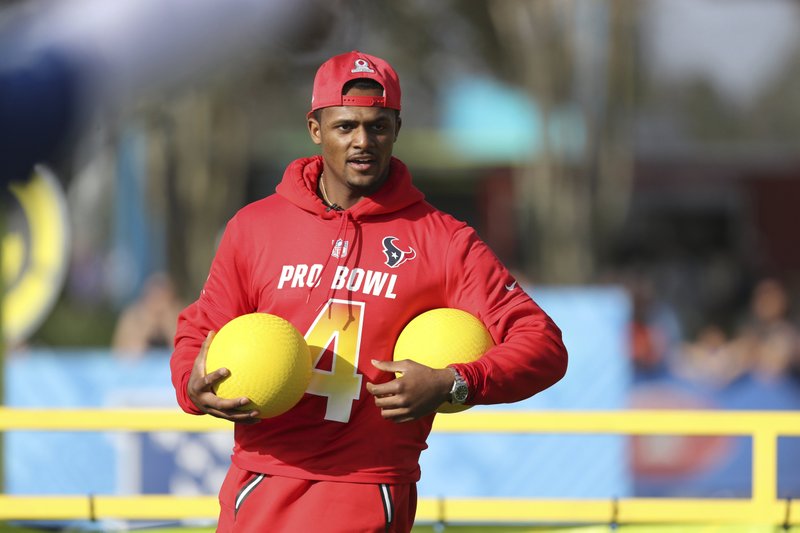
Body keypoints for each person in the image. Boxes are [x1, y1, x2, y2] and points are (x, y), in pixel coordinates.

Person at [170, 50, 568, 532]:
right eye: (346, 126)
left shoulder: (443, 240)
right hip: (259, 485)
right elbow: (200, 331)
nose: (363, 141)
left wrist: (455, 381)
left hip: (368, 490)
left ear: (397, 129)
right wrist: (192, 387)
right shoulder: (254, 227)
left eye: (378, 126)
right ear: (315, 128)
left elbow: (542, 344)